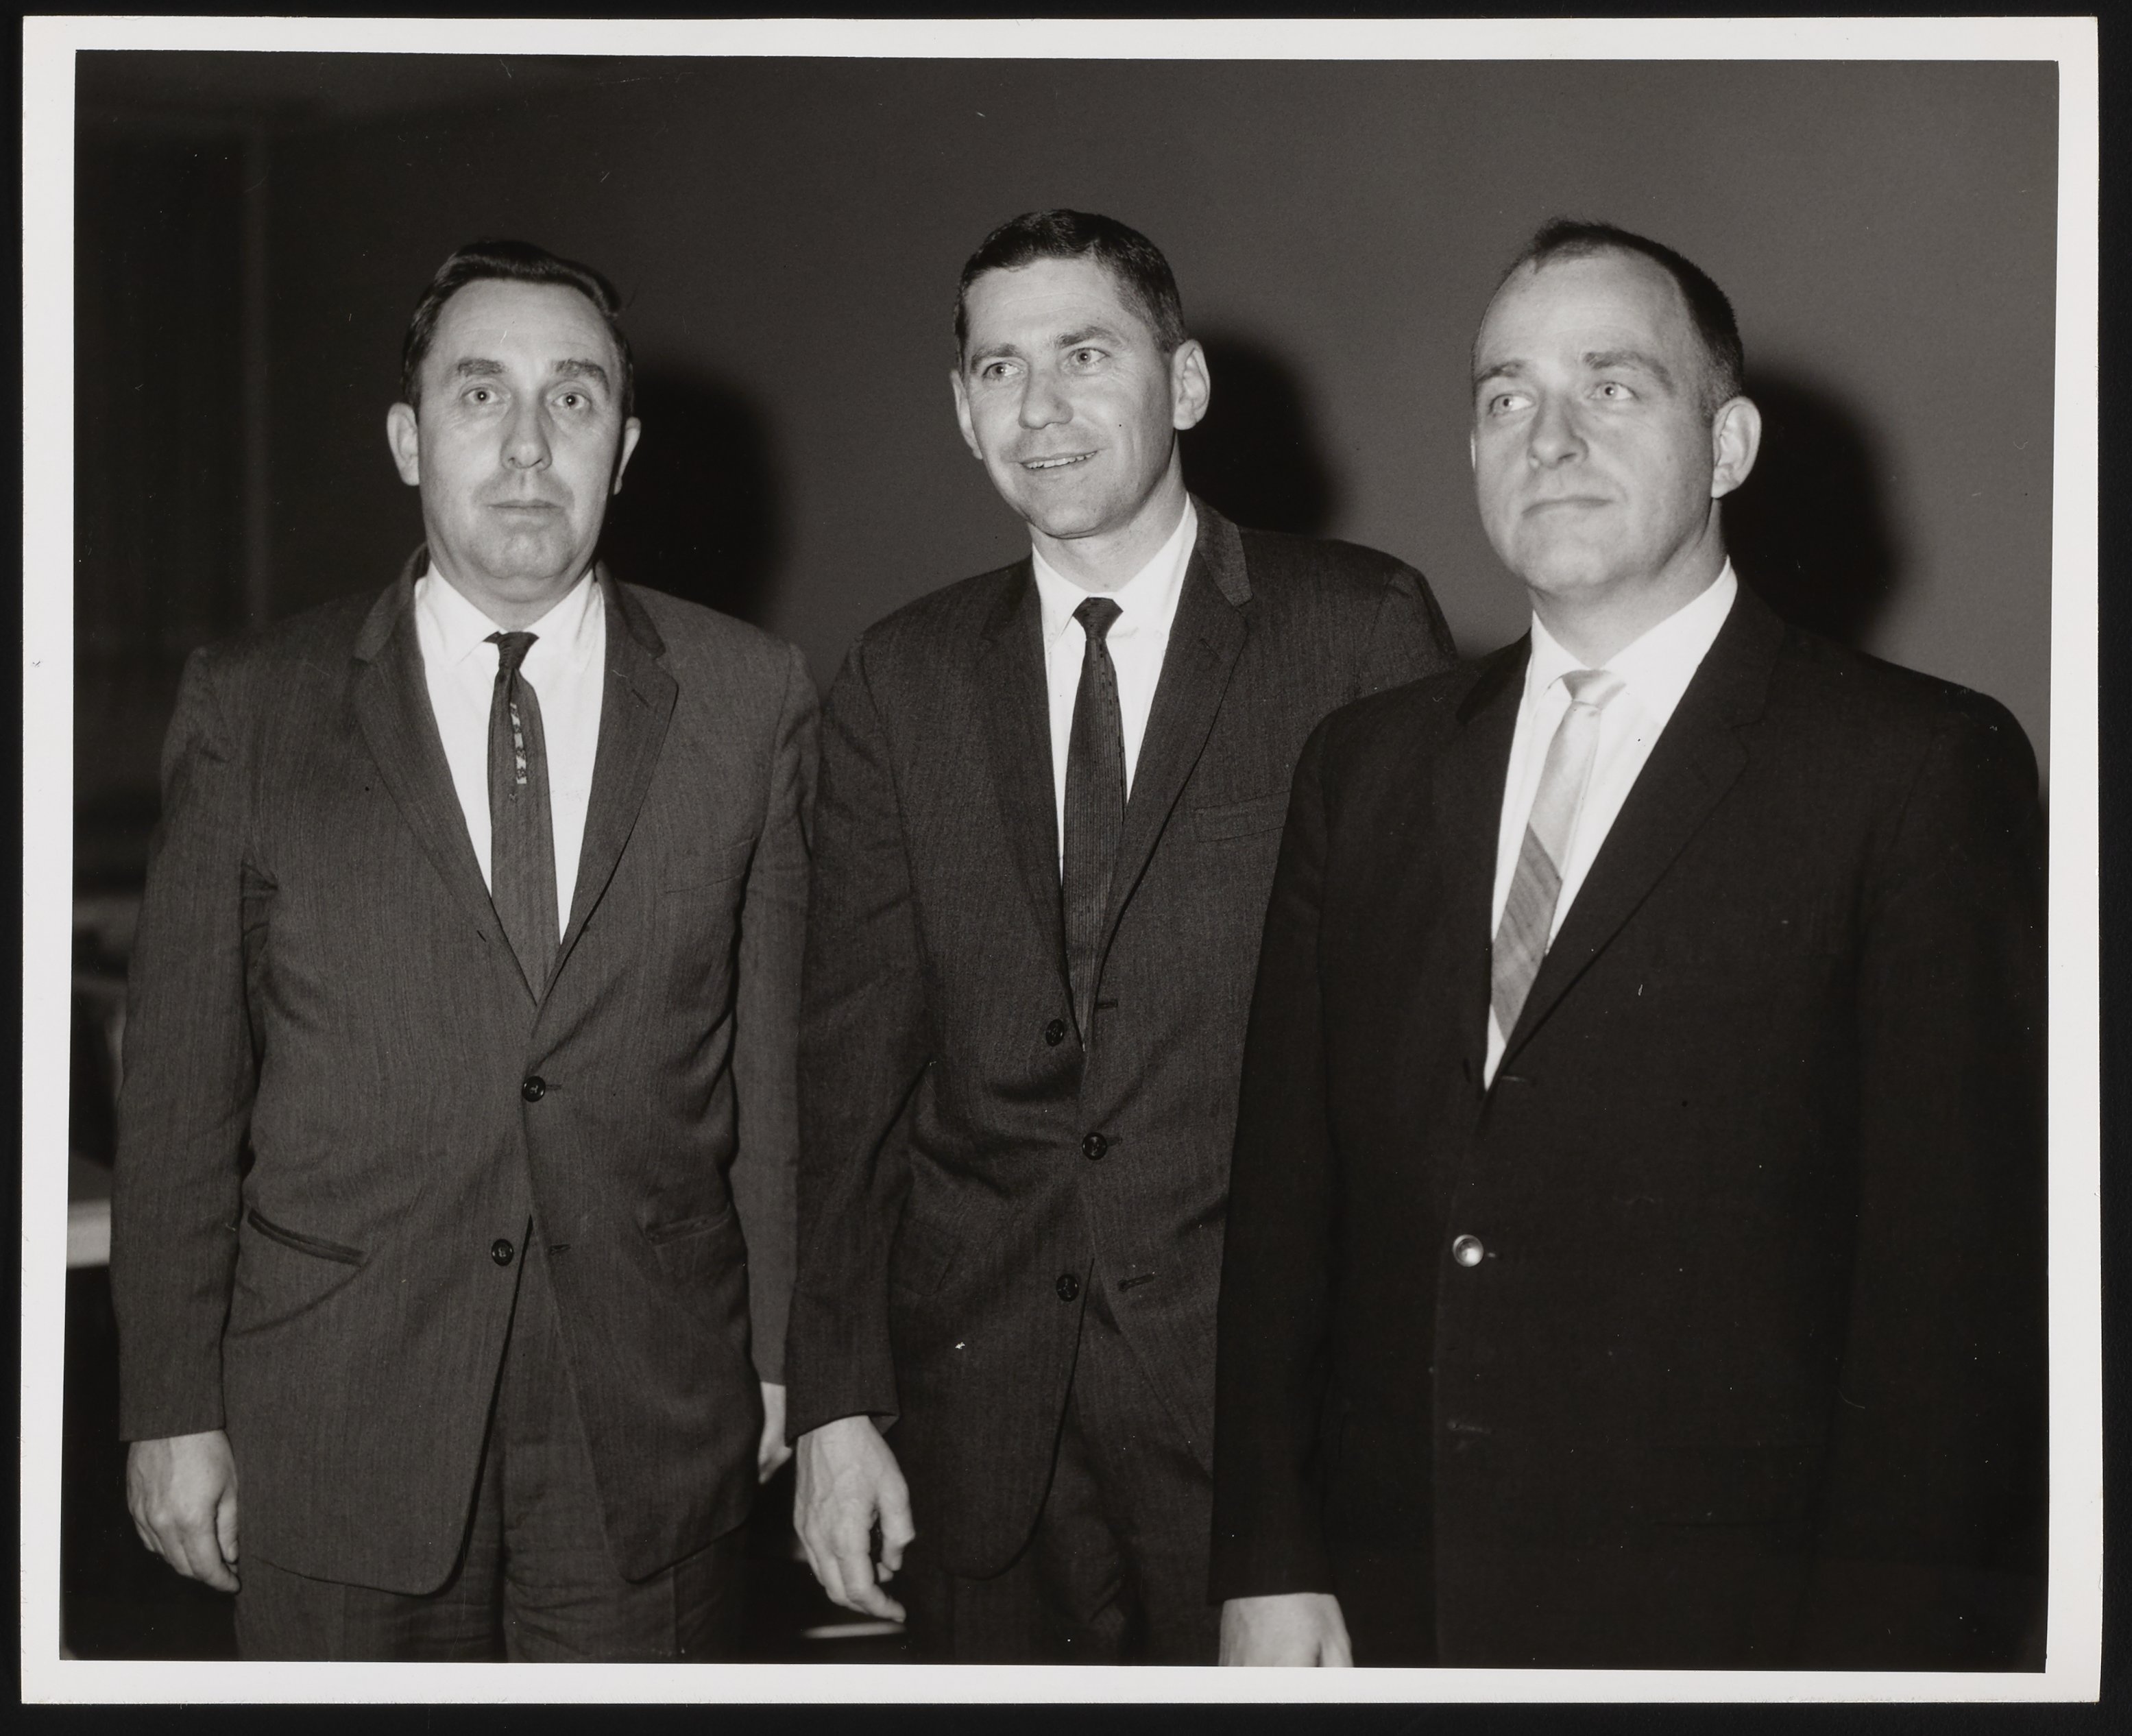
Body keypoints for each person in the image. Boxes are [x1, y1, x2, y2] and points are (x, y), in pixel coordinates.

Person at [1211, 218, 2048, 1669]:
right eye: (1505, 398)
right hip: (1389, 1600)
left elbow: (1949, 1302)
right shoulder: (1365, 766)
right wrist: (1268, 1562)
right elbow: (1287, 1201)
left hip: (1731, 1625)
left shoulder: (1914, 765)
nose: (1547, 438)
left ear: (1727, 445)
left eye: (1610, 386)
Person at [111, 239, 816, 1661]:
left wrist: (784, 1359)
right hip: (334, 1414)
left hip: (649, 1419)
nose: (527, 444)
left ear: (623, 452)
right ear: (407, 439)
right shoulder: (254, 707)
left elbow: (781, 1079)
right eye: (480, 393)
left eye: (574, 399)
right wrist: (171, 1405)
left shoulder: (752, 699)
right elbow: (181, 1090)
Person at [784, 209, 1457, 1663]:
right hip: (976, 1438)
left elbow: (1417, 1091)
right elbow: (850, 1077)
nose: (1040, 407)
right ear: (961, 410)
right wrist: (834, 1403)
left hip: (1256, 1434)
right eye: (999, 369)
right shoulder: (898, 679)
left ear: (1185, 384)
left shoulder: (1355, 630)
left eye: (1085, 355)